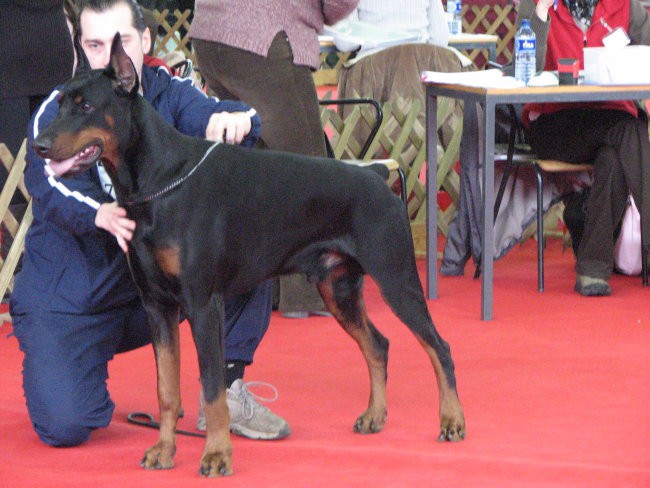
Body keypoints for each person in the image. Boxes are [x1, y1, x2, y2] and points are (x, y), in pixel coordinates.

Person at [10, 0, 289, 448]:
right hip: (75, 296)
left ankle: (228, 390)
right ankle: (80, 365)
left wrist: (234, 119)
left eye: (118, 43)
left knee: (240, 238)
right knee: (66, 425)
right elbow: (44, 184)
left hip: (149, 291)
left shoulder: (167, 91)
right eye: (94, 45)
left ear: (144, 42)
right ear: (80, 47)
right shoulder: (60, 106)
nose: (107, 57)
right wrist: (97, 213)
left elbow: (227, 112)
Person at [190, 0, 358, 319]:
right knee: (307, 171)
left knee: (256, 172)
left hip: (210, 34)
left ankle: (261, 290)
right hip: (265, 35)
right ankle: (305, 293)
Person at [516, 0, 650, 296]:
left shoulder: (625, 7)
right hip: (554, 123)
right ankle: (597, 264)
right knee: (629, 131)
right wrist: (540, 14)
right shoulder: (536, 5)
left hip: (612, 119)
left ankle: (592, 270)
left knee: (614, 157)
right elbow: (523, 74)